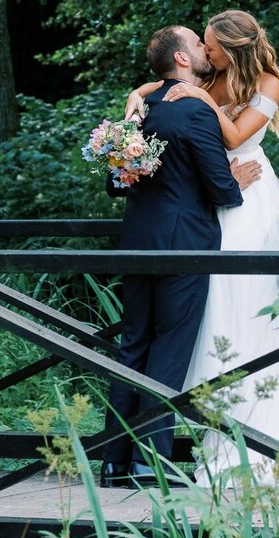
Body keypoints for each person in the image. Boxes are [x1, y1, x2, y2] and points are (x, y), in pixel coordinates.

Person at [125, 9, 279, 482]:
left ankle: (265, 436)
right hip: (216, 198)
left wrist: (203, 104)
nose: (205, 52)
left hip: (250, 199)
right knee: (212, 309)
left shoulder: (267, 83)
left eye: (210, 45)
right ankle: (214, 424)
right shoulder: (210, 80)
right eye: (202, 45)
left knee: (245, 306)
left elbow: (236, 134)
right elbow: (157, 90)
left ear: (231, 46)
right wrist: (136, 94)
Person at [100, 25, 261, 487]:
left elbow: (116, 182)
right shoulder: (193, 110)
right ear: (184, 60)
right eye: (196, 43)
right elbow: (220, 189)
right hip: (183, 245)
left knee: (133, 345)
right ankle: (149, 460)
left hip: (138, 242)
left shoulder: (139, 109)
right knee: (169, 349)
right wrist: (238, 182)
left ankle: (114, 459)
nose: (204, 48)